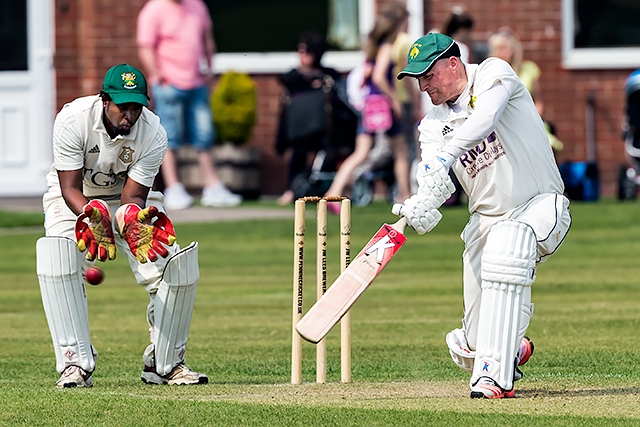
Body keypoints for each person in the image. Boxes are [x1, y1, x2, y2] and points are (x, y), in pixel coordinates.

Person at [392, 33, 571, 398]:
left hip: (539, 206)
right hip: (485, 224)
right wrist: (422, 202)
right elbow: (434, 177)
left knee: (509, 247)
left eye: (429, 75)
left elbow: (486, 118)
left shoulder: (493, 73)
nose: (424, 86)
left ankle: (494, 378)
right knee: (472, 344)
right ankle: (507, 348)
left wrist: (447, 154)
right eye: (418, 79)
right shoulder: (431, 126)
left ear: (453, 63)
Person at [37, 63, 208, 388]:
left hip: (126, 200)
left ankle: (164, 363)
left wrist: (129, 219)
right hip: (75, 197)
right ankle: (75, 364)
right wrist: (91, 215)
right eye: (122, 107)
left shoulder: (154, 132)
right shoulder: (72, 120)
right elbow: (70, 187)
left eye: (136, 107)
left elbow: (133, 196)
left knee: (174, 266)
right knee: (57, 259)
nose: (130, 115)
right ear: (104, 100)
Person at [137, 0, 242, 209]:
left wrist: (209, 68)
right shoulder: (153, 10)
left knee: (204, 135)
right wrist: (158, 76)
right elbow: (145, 47)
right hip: (169, 85)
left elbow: (207, 39)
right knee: (169, 137)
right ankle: (174, 188)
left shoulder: (198, 6)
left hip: (197, 83)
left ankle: (213, 187)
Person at [324, 3, 412, 207]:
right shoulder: (388, 48)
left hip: (369, 105)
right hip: (383, 107)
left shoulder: (373, 48)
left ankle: (334, 192)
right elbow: (380, 77)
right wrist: (394, 100)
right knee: (400, 151)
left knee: (361, 152)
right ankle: (406, 196)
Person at [274, 32, 346, 205]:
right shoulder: (294, 77)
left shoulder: (328, 75)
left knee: (331, 152)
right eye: (300, 51)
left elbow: (339, 92)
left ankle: (325, 188)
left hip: (323, 128)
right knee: (298, 152)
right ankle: (291, 189)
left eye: (306, 52)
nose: (302, 56)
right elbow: (285, 82)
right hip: (299, 128)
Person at [488, 27, 564, 156]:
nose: (500, 53)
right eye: (497, 48)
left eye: (504, 48)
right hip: (502, 125)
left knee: (546, 146)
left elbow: (538, 101)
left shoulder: (529, 69)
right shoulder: (489, 74)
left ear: (514, 50)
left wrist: (532, 118)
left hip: (529, 120)